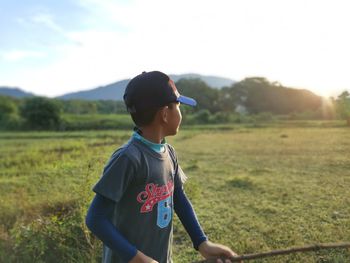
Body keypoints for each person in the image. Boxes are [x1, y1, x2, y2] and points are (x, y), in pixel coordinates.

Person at [86, 71, 239, 263]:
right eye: (179, 106)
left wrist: (203, 243)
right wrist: (138, 259)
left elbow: (178, 197)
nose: (181, 113)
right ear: (165, 114)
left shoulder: (169, 153)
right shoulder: (128, 158)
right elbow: (96, 218)